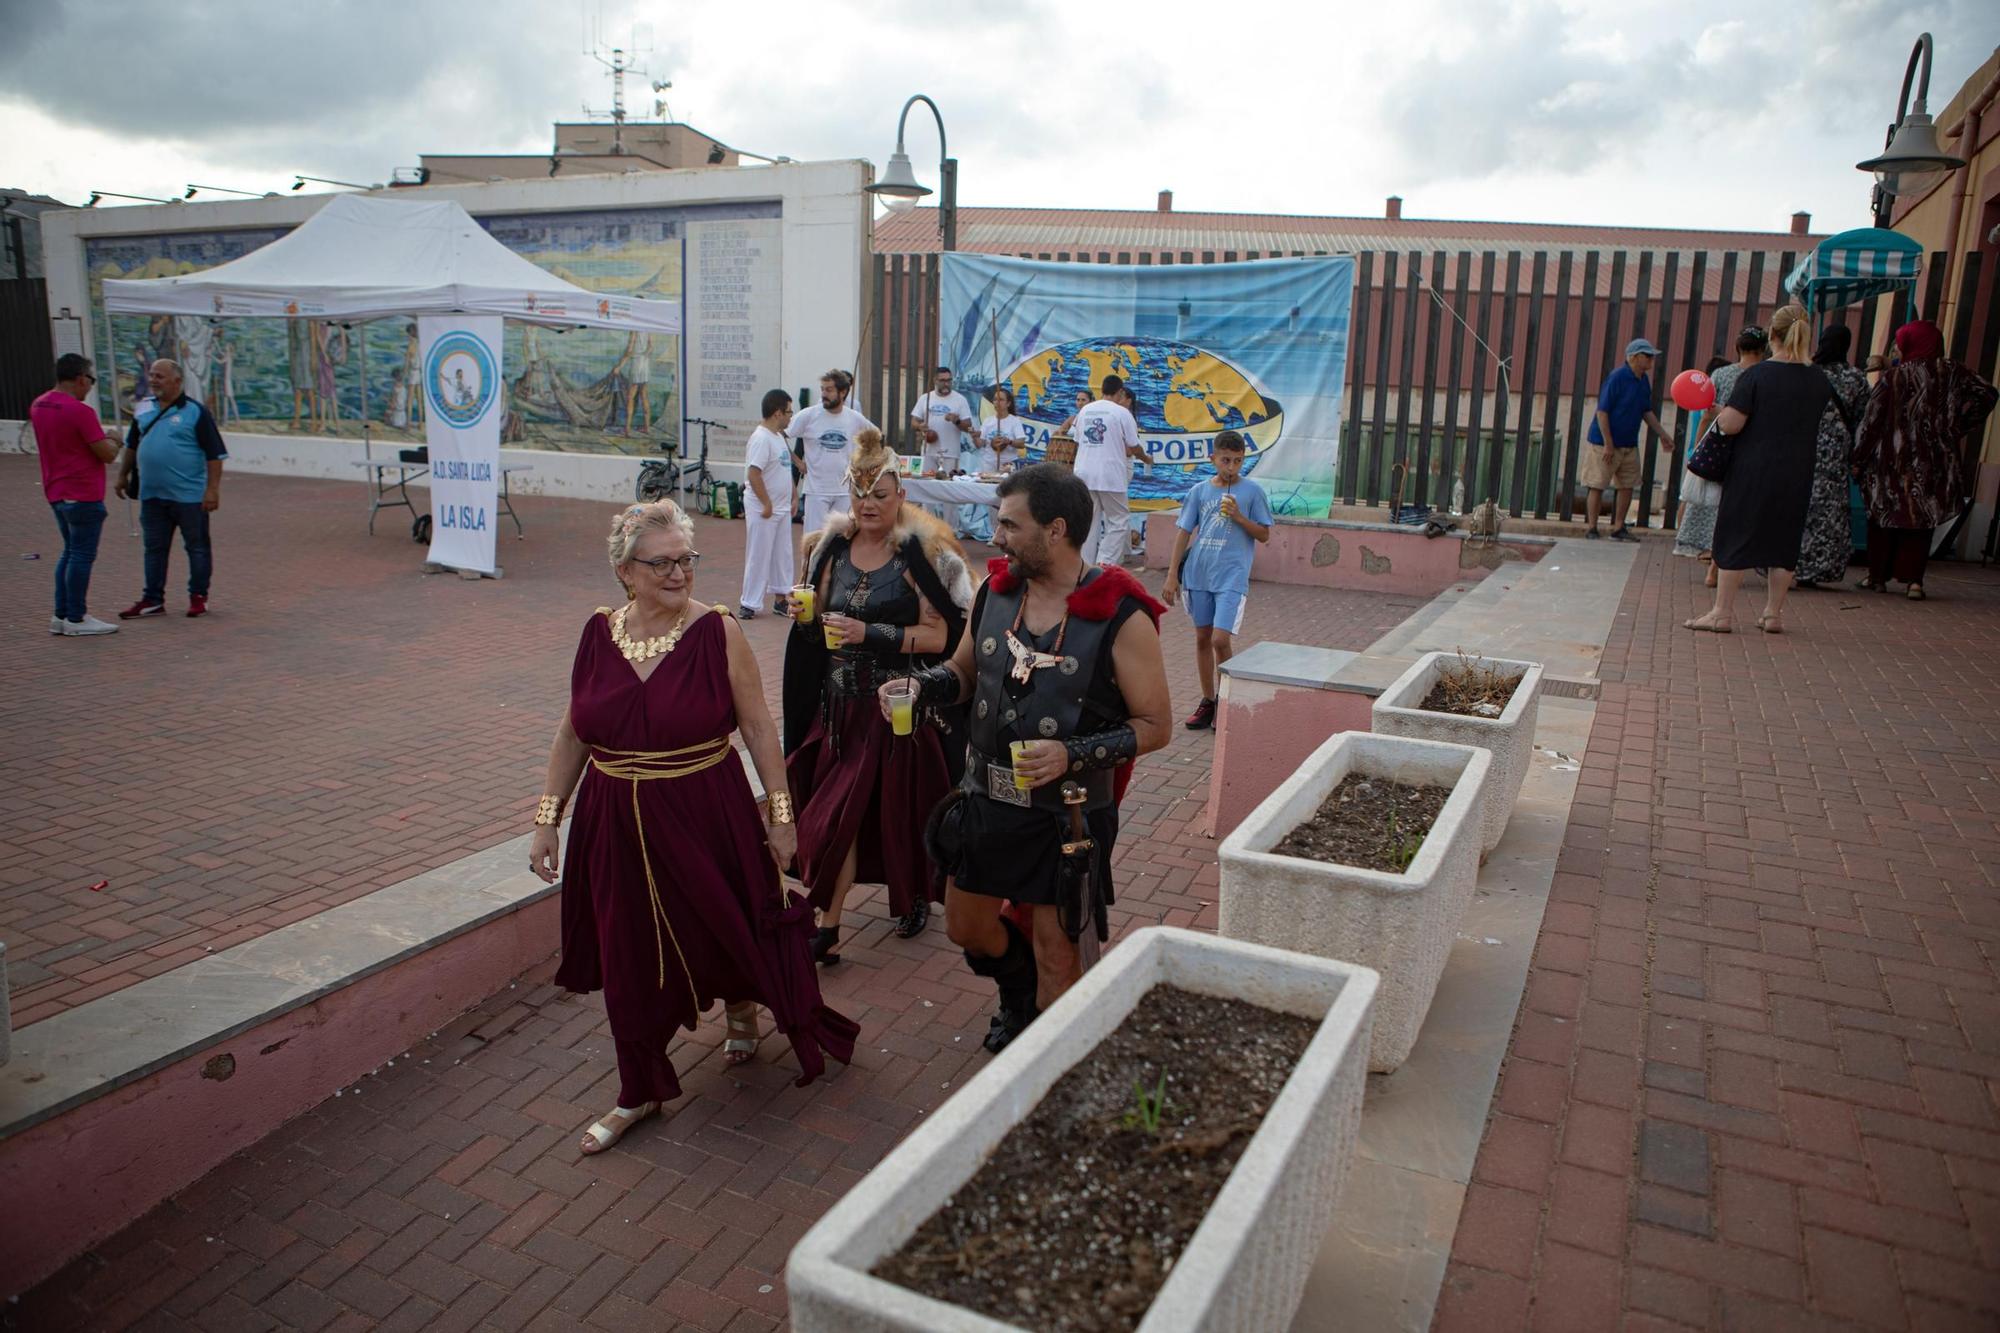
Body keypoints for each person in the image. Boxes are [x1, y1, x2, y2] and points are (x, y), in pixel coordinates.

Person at [530, 500, 857, 1156]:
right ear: (626, 570)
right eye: (663, 562)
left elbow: (759, 725)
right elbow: (573, 728)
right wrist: (548, 816)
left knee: (725, 919)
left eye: (687, 559)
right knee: (626, 949)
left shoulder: (717, 630)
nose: (680, 573)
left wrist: (782, 814)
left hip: (705, 806)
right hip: (613, 817)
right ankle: (640, 1087)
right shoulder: (599, 632)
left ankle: (741, 1004)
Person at [901, 463, 1171, 1052]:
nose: (996, 536)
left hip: (1064, 814)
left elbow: (1156, 727)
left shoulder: (1121, 615)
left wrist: (1070, 753)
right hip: (985, 798)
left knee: (1059, 953)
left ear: (1055, 529)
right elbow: (965, 672)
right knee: (965, 925)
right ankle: (1016, 988)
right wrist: (924, 688)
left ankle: (1050, 1065)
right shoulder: (996, 596)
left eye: (1009, 524)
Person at [783, 429, 975, 961]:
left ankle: (904, 896)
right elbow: (816, 626)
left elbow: (941, 637)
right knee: (834, 813)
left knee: (900, 811)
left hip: (896, 708)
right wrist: (803, 621)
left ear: (901, 497)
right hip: (837, 708)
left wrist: (871, 634)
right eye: (860, 494)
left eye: (880, 495)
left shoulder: (919, 556)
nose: (868, 504)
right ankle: (830, 923)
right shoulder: (831, 552)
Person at [1685, 304, 1830, 636]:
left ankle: (1722, 613)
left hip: (1753, 468)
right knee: (1784, 540)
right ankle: (1772, 614)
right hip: (1798, 470)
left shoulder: (1756, 375)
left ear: (1772, 337)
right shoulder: (1818, 379)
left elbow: (1733, 425)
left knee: (1736, 534)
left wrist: (1720, 412)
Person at [1852, 320, 1999, 600]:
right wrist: (1959, 426)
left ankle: (1877, 577)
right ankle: (1914, 583)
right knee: (1922, 520)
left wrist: (1858, 457)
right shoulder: (1953, 371)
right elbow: (1988, 393)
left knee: (1883, 517)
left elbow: (1872, 421)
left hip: (1890, 462)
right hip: (1935, 461)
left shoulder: (1894, 377)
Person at [1162, 429, 1273, 731]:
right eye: (1226, 460)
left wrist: (1239, 516)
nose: (1231, 468)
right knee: (1201, 638)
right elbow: (1184, 532)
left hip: (1231, 576)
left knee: (1219, 639)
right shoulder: (1199, 492)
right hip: (1199, 573)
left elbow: (1264, 534)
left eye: (1237, 461)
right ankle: (1208, 701)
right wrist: (1173, 575)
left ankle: (1226, 699)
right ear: (1213, 458)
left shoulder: (1252, 492)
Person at [116, 359, 227, 620]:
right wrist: (122, 475)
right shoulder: (143, 408)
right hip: (152, 495)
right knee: (154, 548)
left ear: (177, 381)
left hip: (188, 496)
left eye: (160, 376)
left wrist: (212, 490)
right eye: (152, 375)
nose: (153, 380)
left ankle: (198, 597)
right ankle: (152, 599)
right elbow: (132, 445)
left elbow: (215, 455)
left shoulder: (195, 412)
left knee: (197, 547)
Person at [32, 353, 121, 637]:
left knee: (70, 552)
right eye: (90, 381)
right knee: (82, 554)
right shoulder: (80, 412)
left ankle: (62, 614)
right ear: (81, 378)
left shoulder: (39, 404)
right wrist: (114, 439)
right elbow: (106, 454)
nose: (89, 388)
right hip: (82, 492)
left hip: (56, 490)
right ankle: (76, 617)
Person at [1674, 331, 1767, 579]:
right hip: (1753, 450)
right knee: (1739, 509)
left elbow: (1706, 414)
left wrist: (1697, 449)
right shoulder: (1766, 376)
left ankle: (1714, 563)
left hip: (1719, 449)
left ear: (1737, 347)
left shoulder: (1721, 375)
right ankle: (1720, 564)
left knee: (1716, 505)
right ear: (1764, 348)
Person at [1796, 326, 1870, 587]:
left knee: (1798, 505)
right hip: (1836, 452)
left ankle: (1790, 563)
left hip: (1801, 447)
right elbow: (1863, 417)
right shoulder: (1856, 378)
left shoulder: (1805, 371)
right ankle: (1819, 567)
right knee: (1828, 509)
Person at [1584, 337, 1674, 541]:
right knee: (1597, 483)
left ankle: (1618, 526)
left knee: (1627, 484)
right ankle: (1592, 527)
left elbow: (1646, 410)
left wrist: (1663, 435)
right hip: (1604, 442)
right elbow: (1602, 412)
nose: (1651, 360)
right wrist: (1608, 443)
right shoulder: (1617, 377)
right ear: (1634, 357)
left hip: (1628, 442)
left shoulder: (1642, 380)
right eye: (1647, 356)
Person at [1071, 373, 1148, 567]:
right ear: (1120, 391)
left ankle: (1084, 564)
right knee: (1119, 520)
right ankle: (1104, 562)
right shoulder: (1122, 413)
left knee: (1090, 520)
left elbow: (1078, 440)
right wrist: (1147, 458)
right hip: (1109, 474)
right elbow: (1134, 447)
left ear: (1102, 390)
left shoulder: (1086, 410)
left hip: (1084, 473)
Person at [788, 369, 877, 534]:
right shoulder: (808, 415)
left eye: (829, 390)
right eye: (822, 389)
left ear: (842, 392)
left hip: (844, 492)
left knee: (841, 541)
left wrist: (863, 465)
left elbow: (876, 437)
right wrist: (797, 461)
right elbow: (779, 433)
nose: (823, 394)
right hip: (816, 492)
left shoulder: (854, 418)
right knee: (814, 541)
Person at [739, 389, 797, 619]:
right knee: (759, 555)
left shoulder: (778, 436)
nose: (791, 416)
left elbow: (785, 469)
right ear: (777, 413)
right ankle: (749, 603)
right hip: (764, 509)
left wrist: (793, 495)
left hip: (781, 508)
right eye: (789, 412)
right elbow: (754, 473)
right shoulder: (762, 438)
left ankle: (781, 598)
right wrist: (766, 504)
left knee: (782, 555)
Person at [909, 366, 974, 528]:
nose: (946, 384)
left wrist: (956, 421)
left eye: (949, 380)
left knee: (949, 489)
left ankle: (950, 528)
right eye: (943, 380)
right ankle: (926, 526)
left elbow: (968, 426)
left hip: (950, 451)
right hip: (929, 450)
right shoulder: (926, 398)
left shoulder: (959, 400)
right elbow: (913, 421)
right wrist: (921, 426)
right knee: (927, 488)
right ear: (935, 381)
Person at [961, 386, 1028, 542]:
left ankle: (1007, 532)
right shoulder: (989, 421)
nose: (997, 403)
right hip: (988, 463)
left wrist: (1008, 441)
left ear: (1008, 403)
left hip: (1006, 464)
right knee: (990, 498)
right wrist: (974, 437)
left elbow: (1021, 443)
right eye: (995, 399)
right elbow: (981, 444)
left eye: (1001, 399)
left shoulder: (1014, 421)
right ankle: (994, 533)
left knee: (1005, 499)